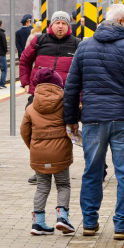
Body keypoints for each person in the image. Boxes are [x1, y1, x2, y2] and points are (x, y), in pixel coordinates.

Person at [64, 4, 124, 239]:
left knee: (92, 171)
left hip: (93, 120)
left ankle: (90, 223)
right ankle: (122, 226)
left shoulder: (84, 47)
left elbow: (71, 88)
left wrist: (71, 119)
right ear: (122, 21)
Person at [21, 11, 81, 184]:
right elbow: (25, 60)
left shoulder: (77, 44)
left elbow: (83, 71)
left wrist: (81, 98)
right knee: (35, 132)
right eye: (57, 23)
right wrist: (25, 82)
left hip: (65, 97)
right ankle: (39, 169)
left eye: (64, 23)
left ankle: (60, 168)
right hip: (38, 96)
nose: (60, 26)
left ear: (68, 25)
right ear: (51, 25)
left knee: (60, 135)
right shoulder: (39, 41)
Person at [20, 68, 75, 235]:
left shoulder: (31, 107)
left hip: (39, 152)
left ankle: (38, 223)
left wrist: (34, 146)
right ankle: (62, 217)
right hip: (60, 152)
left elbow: (24, 131)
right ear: (59, 83)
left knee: (42, 187)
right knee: (63, 185)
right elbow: (74, 121)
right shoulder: (65, 103)